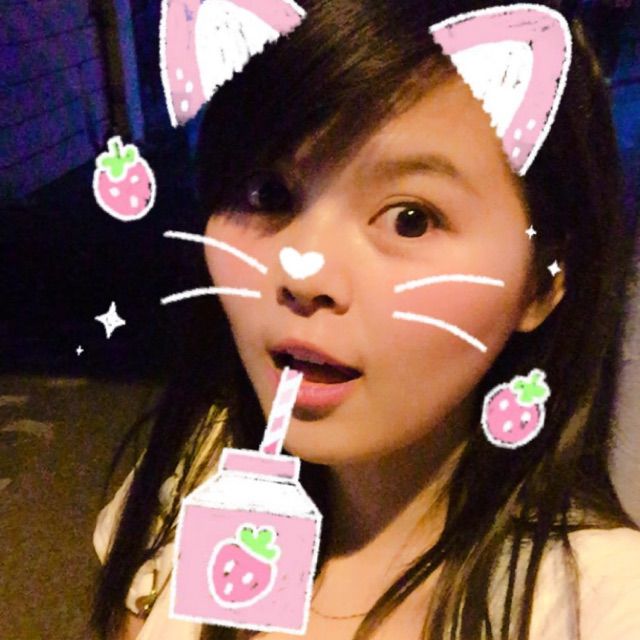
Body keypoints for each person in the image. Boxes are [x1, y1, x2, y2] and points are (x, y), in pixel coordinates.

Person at [90, 1, 640, 639]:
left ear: (543, 281)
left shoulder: (599, 607)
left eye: (411, 219)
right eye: (269, 194)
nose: (304, 274)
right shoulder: (190, 472)